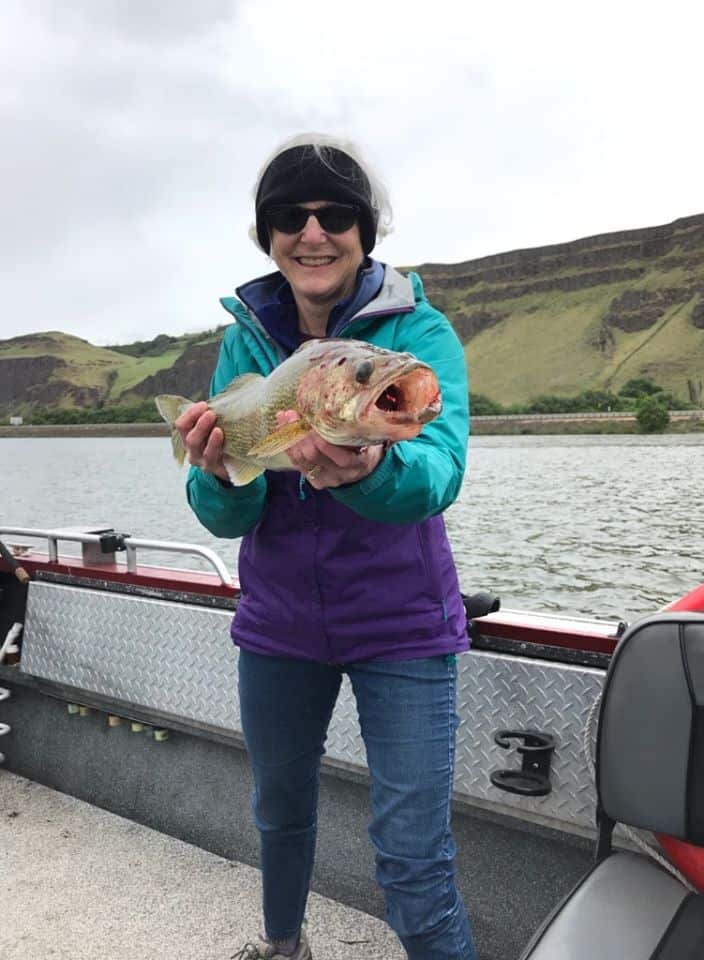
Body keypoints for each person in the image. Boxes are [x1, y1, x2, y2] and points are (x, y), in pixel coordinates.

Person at [176, 133, 478, 960]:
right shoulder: (244, 344)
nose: (312, 232)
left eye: (335, 214)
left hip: (402, 626)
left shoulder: (423, 335)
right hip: (279, 625)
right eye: (289, 216)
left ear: (364, 231)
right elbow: (225, 515)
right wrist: (215, 470)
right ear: (268, 235)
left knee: (413, 858)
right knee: (279, 809)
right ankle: (284, 949)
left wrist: (366, 467)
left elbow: (439, 469)